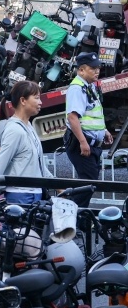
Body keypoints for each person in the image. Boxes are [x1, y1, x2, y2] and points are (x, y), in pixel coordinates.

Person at [0, 81, 53, 204]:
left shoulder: (28, 126)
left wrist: (57, 184)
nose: (41, 102)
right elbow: (0, 164)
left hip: (35, 194)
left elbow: (37, 164)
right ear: (23, 101)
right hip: (20, 195)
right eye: (37, 98)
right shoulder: (15, 130)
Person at [64, 52, 113, 207]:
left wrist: (104, 130)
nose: (97, 71)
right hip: (82, 145)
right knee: (88, 184)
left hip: (91, 144)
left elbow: (93, 112)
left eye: (98, 68)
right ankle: (68, 216)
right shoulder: (77, 88)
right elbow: (72, 117)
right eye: (93, 68)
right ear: (81, 70)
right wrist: (83, 142)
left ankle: (76, 217)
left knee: (88, 184)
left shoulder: (89, 86)